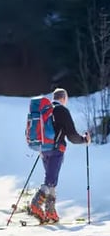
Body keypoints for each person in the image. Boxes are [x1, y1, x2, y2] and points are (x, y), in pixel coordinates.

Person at [29, 88, 90, 223]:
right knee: (50, 180)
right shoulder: (61, 110)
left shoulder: (46, 111)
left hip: (43, 149)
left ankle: (51, 212)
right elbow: (72, 136)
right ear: (64, 98)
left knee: (51, 179)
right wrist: (84, 139)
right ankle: (36, 205)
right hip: (56, 149)